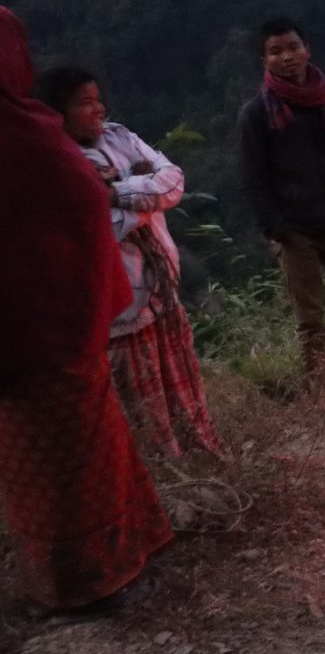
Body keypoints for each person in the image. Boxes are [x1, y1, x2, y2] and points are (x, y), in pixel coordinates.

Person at [0, 9, 173, 615]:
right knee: (77, 460)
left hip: (35, 330)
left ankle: (63, 577)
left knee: (41, 462)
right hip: (48, 328)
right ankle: (92, 581)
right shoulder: (24, 135)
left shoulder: (29, 127)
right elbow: (76, 209)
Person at [37, 68, 224, 457]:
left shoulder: (119, 136)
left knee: (186, 395)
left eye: (98, 99)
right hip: (124, 311)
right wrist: (143, 192)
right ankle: (168, 480)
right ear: (60, 112)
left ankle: (203, 460)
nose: (97, 109)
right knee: (144, 408)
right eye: (85, 103)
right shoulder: (58, 163)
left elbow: (173, 181)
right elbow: (102, 226)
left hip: (163, 291)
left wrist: (116, 191)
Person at [236, 17, 325, 372]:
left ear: (307, 50)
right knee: (311, 320)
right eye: (275, 51)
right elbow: (254, 178)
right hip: (296, 230)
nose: (287, 57)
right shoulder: (257, 114)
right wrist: (277, 228)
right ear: (263, 61)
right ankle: (322, 391)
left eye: (293, 47)